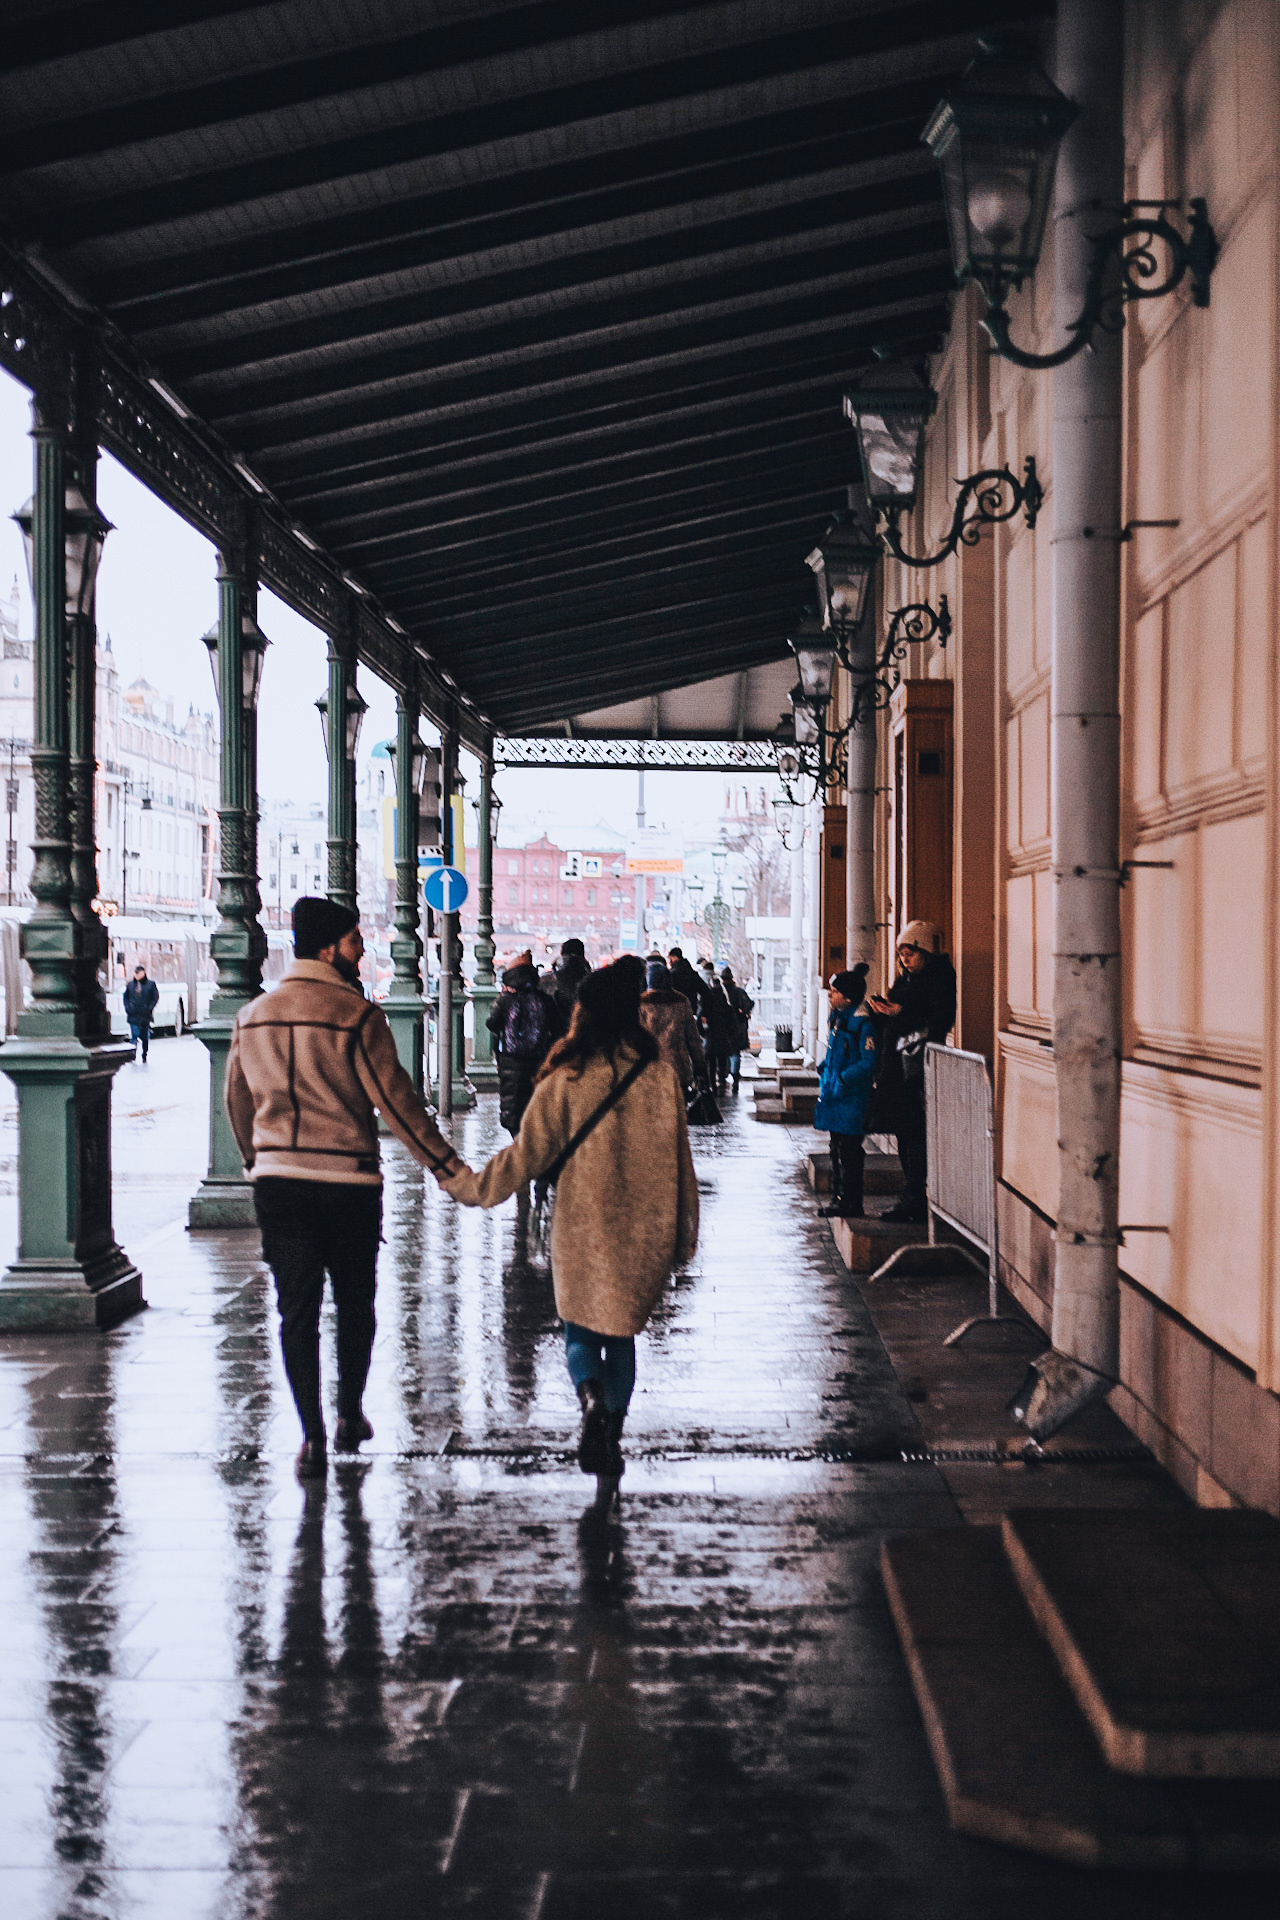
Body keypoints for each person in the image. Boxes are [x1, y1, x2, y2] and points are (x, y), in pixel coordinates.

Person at [442, 957, 698, 1510]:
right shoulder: (660, 1079)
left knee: (580, 1333)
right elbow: (682, 1161)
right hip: (644, 1229)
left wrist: (472, 1186)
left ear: (583, 1013)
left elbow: (525, 1156)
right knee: (623, 1336)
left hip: (582, 1228)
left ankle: (589, 1404)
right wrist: (684, 1234)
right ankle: (612, 1429)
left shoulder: (565, 1078)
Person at [224, 898, 463, 1479]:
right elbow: (398, 1104)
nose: (362, 950)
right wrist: (446, 1167)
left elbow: (237, 1102)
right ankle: (350, 1413)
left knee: (296, 1310)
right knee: (355, 1304)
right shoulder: (357, 1016)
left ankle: (311, 1436)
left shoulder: (252, 1016)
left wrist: (261, 1159)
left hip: (280, 1185)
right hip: (348, 1183)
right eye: (356, 940)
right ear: (330, 948)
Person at [867, 920, 957, 1223]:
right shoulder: (905, 981)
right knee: (905, 1133)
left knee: (915, 1134)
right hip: (898, 1068)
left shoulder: (939, 977)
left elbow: (939, 1018)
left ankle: (915, 1195)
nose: (905, 959)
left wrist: (900, 1012)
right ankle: (911, 1193)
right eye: (901, 954)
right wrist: (883, 1013)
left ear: (926, 951)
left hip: (916, 1069)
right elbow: (898, 1019)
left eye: (911, 953)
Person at [813, 966, 877, 1219]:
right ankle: (839, 1198)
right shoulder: (839, 1019)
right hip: (835, 1095)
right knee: (836, 1148)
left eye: (835, 991)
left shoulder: (861, 1023)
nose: (830, 995)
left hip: (851, 1096)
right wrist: (826, 1068)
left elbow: (867, 1061)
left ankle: (852, 1201)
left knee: (849, 1151)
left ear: (849, 997)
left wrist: (842, 1077)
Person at [487, 953, 563, 1136]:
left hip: (510, 1062)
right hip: (539, 1060)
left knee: (513, 1104)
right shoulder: (545, 1000)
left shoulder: (507, 1000)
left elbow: (492, 1024)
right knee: (534, 1103)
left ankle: (518, 1141)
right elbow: (558, 1027)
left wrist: (501, 999)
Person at [640, 958, 705, 1092]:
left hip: (648, 1069)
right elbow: (693, 1039)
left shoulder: (641, 1004)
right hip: (677, 1069)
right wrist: (699, 1064)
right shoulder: (681, 1002)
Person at [697, 957, 736, 1091]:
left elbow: (699, 1021)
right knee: (722, 1061)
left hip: (710, 1038)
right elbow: (732, 1023)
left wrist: (703, 1033)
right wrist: (729, 1034)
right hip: (723, 1038)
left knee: (711, 1064)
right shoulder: (726, 1005)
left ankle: (712, 1084)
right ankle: (722, 1083)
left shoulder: (706, 1005)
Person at [719, 964, 754, 1093]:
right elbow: (749, 1004)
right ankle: (735, 1079)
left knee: (724, 1052)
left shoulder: (720, 992)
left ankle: (723, 1077)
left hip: (723, 1026)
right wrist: (743, 1013)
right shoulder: (739, 992)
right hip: (738, 1025)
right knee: (735, 1053)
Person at [547, 937, 592, 1026]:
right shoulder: (592, 980)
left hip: (556, 1031)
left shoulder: (549, 980)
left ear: (563, 955)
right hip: (584, 1030)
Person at [123, 963, 159, 1063]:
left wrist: (149, 1008)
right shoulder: (130, 985)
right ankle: (132, 1054)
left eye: (139, 973)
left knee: (144, 1036)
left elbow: (155, 997)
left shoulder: (150, 984)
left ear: (143, 973)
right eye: (136, 973)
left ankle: (144, 1053)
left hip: (145, 1015)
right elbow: (125, 997)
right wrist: (128, 1008)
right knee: (134, 1034)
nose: (137, 975)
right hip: (133, 1014)